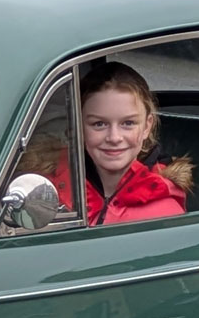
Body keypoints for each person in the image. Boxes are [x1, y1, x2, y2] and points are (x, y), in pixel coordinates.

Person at [40, 60, 190, 224]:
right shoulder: (44, 193)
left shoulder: (165, 213)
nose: (114, 137)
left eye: (128, 123)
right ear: (78, 126)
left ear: (147, 126)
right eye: (99, 124)